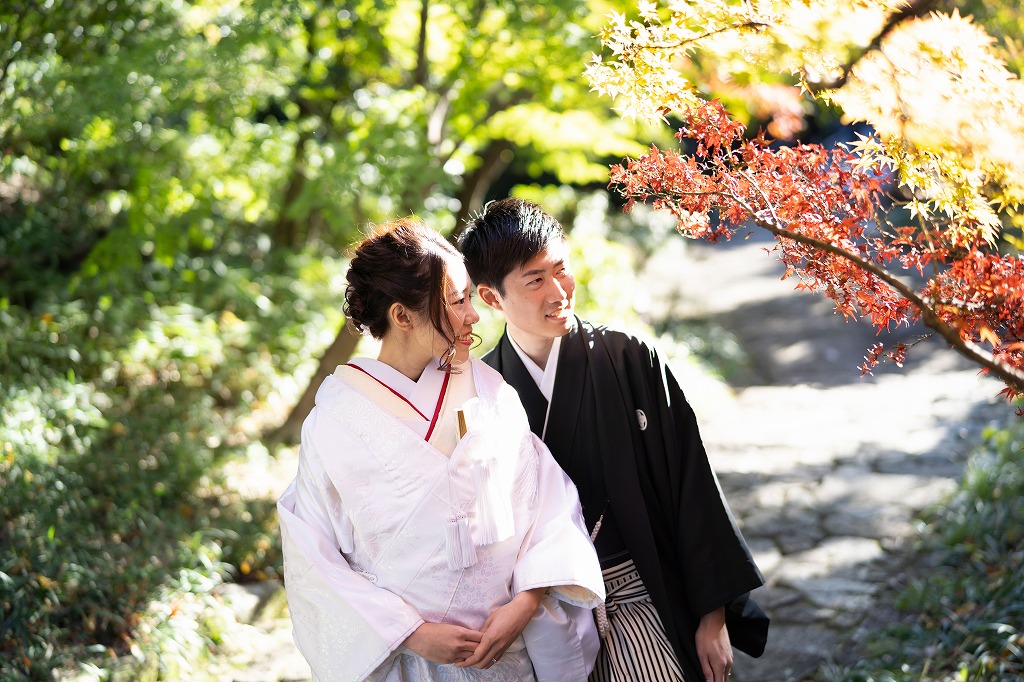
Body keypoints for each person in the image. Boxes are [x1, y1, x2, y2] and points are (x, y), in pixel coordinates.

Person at [277, 217, 605, 682]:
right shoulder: (333, 423)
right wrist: (408, 632)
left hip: (507, 647)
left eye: (470, 297)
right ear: (402, 316)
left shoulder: (488, 389)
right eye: (457, 301)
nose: (473, 315)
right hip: (409, 660)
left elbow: (546, 504)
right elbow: (313, 555)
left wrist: (526, 601)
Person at [459, 198, 769, 682]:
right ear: (491, 297)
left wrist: (713, 616)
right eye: (535, 280)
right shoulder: (482, 391)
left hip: (643, 594)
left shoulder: (627, 359)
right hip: (544, 618)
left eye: (561, 269)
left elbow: (692, 486)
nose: (558, 290)